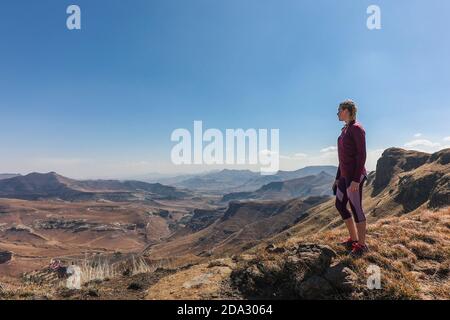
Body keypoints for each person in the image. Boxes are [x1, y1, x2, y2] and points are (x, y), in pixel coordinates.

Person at [332, 100, 368, 257]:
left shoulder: (356, 129)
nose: (337, 113)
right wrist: (337, 177)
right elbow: (342, 158)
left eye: (339, 110)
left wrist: (355, 179)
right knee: (339, 205)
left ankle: (362, 245)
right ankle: (353, 239)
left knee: (355, 207)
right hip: (344, 176)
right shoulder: (344, 130)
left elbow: (362, 154)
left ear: (347, 110)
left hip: (355, 175)